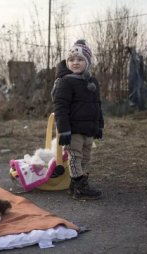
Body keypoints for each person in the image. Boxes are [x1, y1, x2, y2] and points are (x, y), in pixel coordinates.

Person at [52, 39, 104, 200]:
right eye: (72, 60)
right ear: (67, 62)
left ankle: (74, 185)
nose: (76, 62)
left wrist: (99, 126)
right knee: (75, 156)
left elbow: (97, 105)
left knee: (86, 157)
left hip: (88, 129)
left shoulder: (92, 82)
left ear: (87, 62)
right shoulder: (65, 82)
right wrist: (64, 130)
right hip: (73, 129)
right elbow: (60, 107)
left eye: (80, 59)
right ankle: (81, 188)